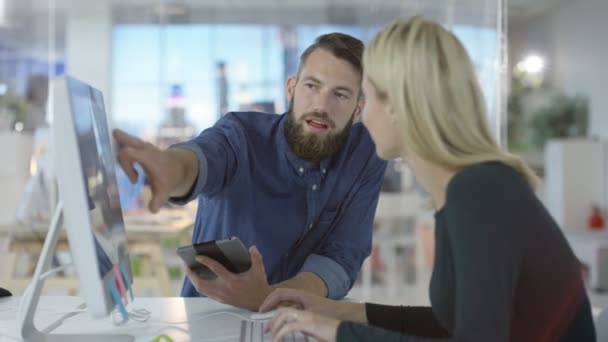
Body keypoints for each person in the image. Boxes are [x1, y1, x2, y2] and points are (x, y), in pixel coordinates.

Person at [260, 16, 596, 342]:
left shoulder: (479, 191)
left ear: (397, 105)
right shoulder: (466, 188)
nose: (363, 114)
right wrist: (338, 314)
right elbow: (451, 323)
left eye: (368, 95)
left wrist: (338, 335)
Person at [113, 33, 387, 311]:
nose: (321, 106)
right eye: (312, 86)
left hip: (302, 320)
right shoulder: (242, 135)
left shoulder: (365, 153)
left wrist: (269, 297)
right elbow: (201, 159)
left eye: (340, 95)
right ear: (291, 89)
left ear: (357, 111)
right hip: (214, 316)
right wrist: (170, 169)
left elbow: (342, 255)